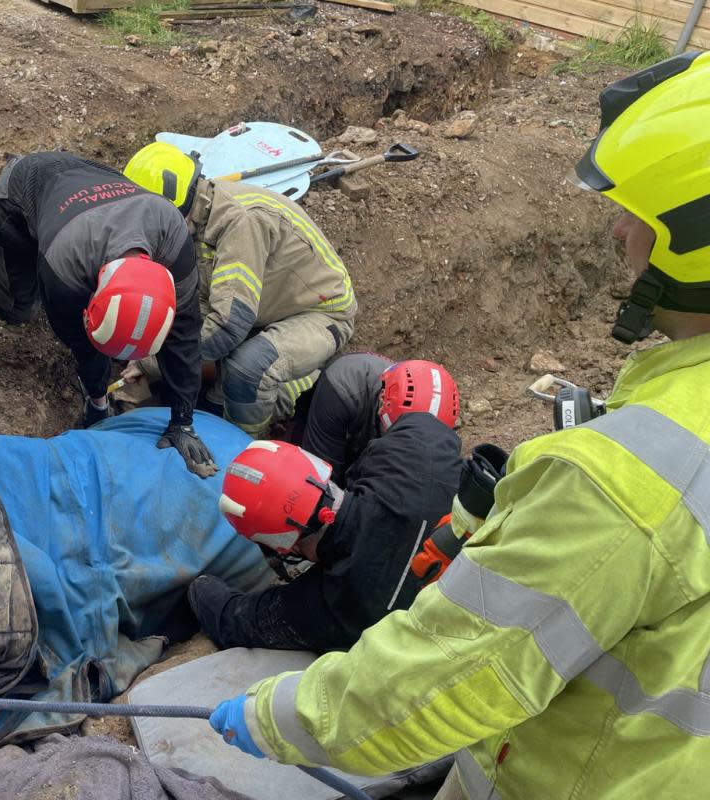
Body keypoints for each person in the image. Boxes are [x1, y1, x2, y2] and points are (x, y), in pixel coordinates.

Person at [207, 53, 710, 800]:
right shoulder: (415, 448)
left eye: (638, 211)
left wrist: (276, 718)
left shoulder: (619, 479)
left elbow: (450, 676)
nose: (617, 229)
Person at [0, 151, 216, 477]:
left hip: (78, 186)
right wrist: (98, 402)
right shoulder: (64, 270)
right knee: (16, 306)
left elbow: (184, 337)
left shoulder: (173, 240)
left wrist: (183, 420)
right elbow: (86, 348)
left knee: (38, 237)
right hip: (25, 185)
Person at [119, 142, 356, 436]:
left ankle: (247, 441)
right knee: (217, 389)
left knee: (248, 369)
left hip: (319, 313)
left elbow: (230, 324)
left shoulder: (240, 222)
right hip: (265, 309)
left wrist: (154, 361)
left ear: (173, 209)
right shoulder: (198, 214)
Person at [188, 410, 462, 653]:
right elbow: (422, 423)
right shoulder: (418, 445)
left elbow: (232, 619)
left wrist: (196, 585)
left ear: (284, 546)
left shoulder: (329, 605)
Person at [301, 354, 460, 482]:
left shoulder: (436, 427)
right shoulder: (344, 387)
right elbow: (321, 479)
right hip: (328, 422)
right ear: (382, 403)